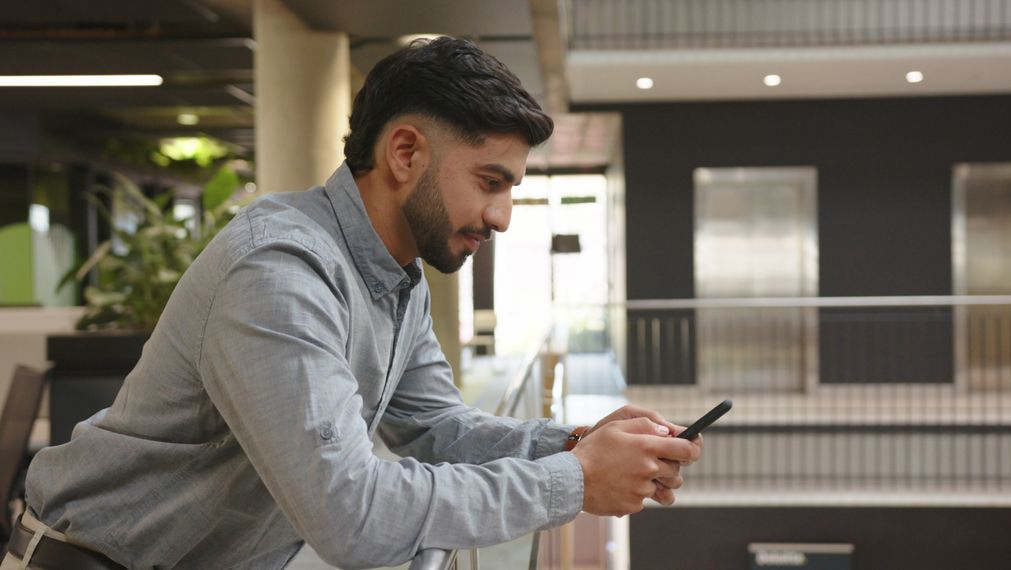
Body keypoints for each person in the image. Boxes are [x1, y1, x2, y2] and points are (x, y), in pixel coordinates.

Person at [5, 37, 700, 570]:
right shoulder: (281, 271)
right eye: (491, 181)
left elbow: (437, 431)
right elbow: (349, 515)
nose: (503, 216)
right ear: (405, 152)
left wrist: (574, 444)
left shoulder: (398, 280)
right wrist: (572, 481)